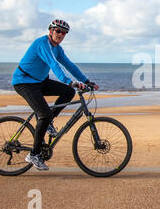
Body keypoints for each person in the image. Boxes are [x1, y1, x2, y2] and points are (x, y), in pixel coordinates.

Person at [12, 19, 99, 171]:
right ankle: (34, 154)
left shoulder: (57, 48)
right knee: (44, 115)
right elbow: (54, 64)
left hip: (39, 81)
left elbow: (69, 64)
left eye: (64, 33)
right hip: (24, 82)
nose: (60, 34)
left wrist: (86, 81)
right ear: (50, 31)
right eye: (58, 31)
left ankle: (48, 122)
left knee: (68, 92)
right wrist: (68, 80)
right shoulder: (42, 44)